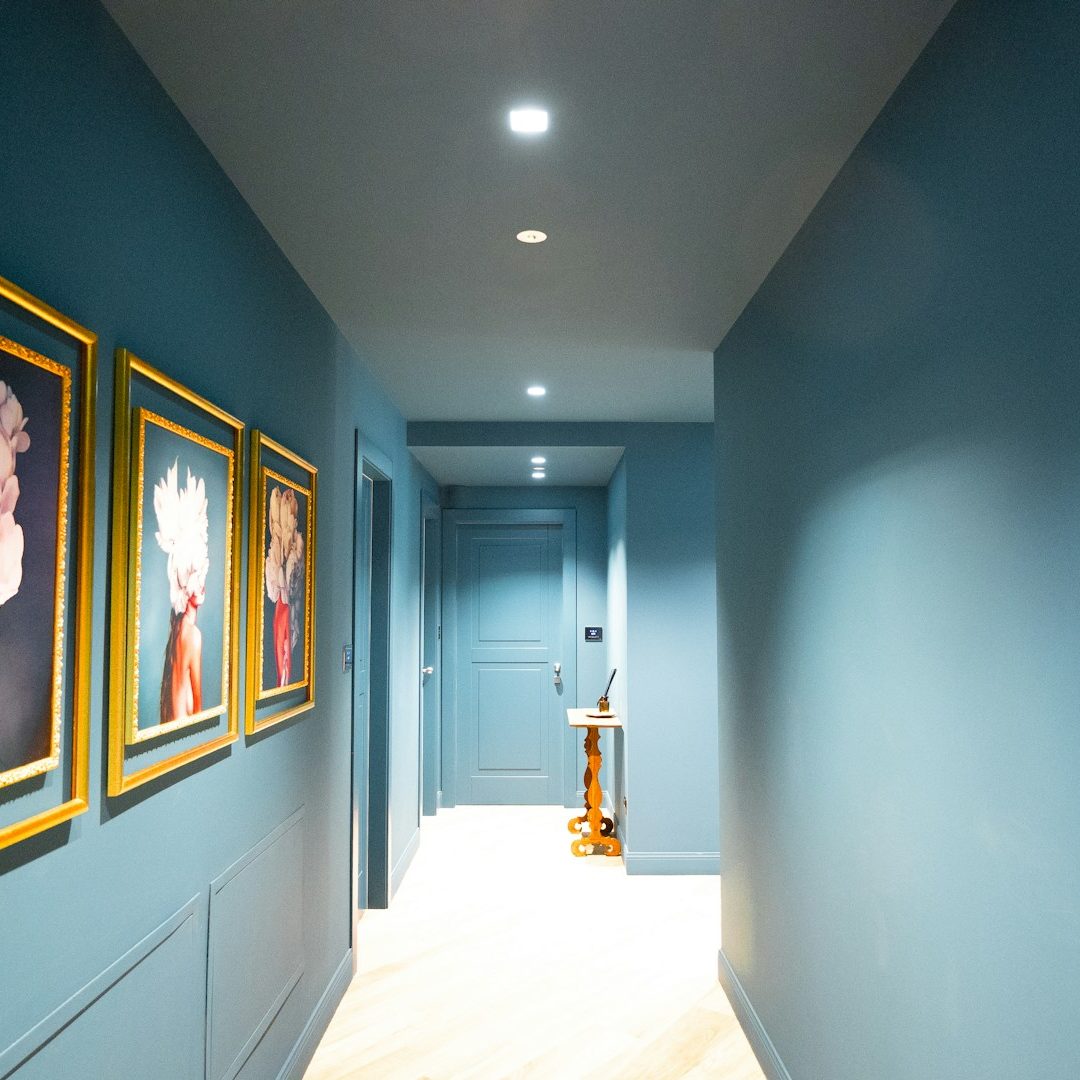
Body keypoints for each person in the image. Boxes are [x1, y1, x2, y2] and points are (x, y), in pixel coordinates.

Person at [153, 459, 209, 723]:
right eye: (197, 573)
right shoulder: (192, 635)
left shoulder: (176, 630)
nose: (202, 581)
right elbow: (198, 706)